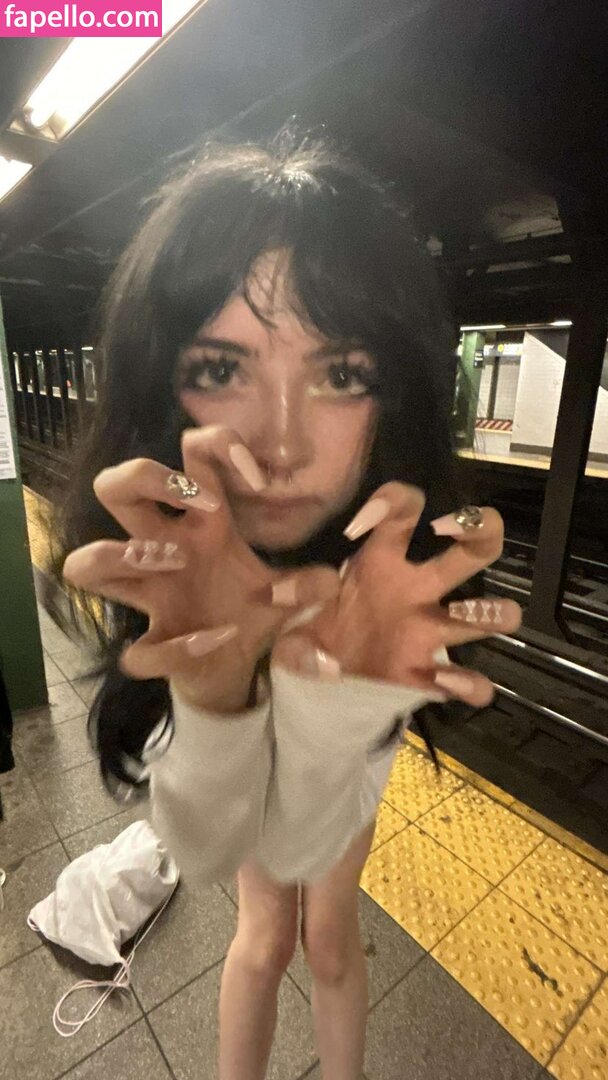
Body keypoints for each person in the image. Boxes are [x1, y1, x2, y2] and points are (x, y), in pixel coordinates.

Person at [56, 128, 521, 1080]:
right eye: (221, 368)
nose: (280, 444)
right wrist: (217, 691)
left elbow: (295, 828)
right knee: (277, 934)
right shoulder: (175, 566)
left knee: (316, 932)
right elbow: (206, 838)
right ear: (163, 385)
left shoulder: (388, 584)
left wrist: (338, 695)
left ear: (393, 398)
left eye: (341, 375)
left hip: (351, 704)